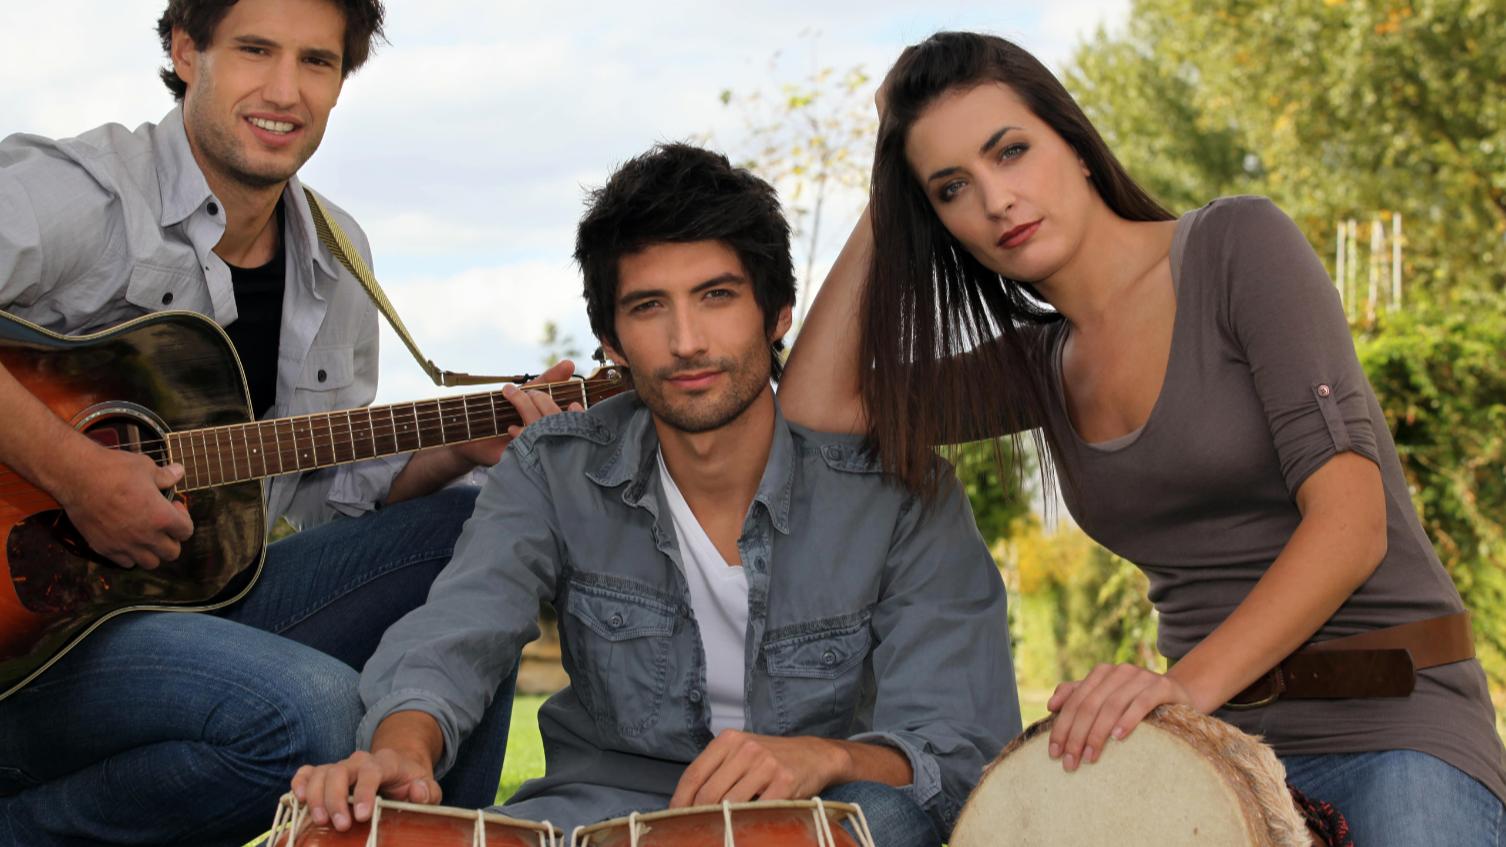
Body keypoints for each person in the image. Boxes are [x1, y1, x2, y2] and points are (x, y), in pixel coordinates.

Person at [778, 31, 1506, 846]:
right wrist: (890, 182)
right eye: (952, 187)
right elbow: (816, 404)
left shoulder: (1237, 248)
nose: (996, 200)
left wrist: (1180, 687)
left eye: (1011, 151)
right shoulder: (1036, 370)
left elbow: (1352, 524)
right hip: (1216, 752)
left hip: (1395, 724)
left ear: (1076, 145)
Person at [289, 143, 1019, 845]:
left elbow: (958, 746)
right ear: (611, 340)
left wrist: (824, 757)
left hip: (812, 817)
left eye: (717, 296)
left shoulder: (901, 492)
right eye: (648, 307)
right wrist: (401, 749)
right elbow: (456, 633)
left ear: (778, 314)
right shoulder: (554, 467)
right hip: (599, 819)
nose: (687, 340)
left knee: (879, 817)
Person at [0, 1, 572, 843]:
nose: (284, 90)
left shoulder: (337, 256)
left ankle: (438, 837)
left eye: (316, 61)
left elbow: (330, 491)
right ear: (186, 51)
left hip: (196, 602)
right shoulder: (82, 194)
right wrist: (77, 473)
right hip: (32, 644)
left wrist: (452, 448)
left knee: (471, 538)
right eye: (255, 50)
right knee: (315, 710)